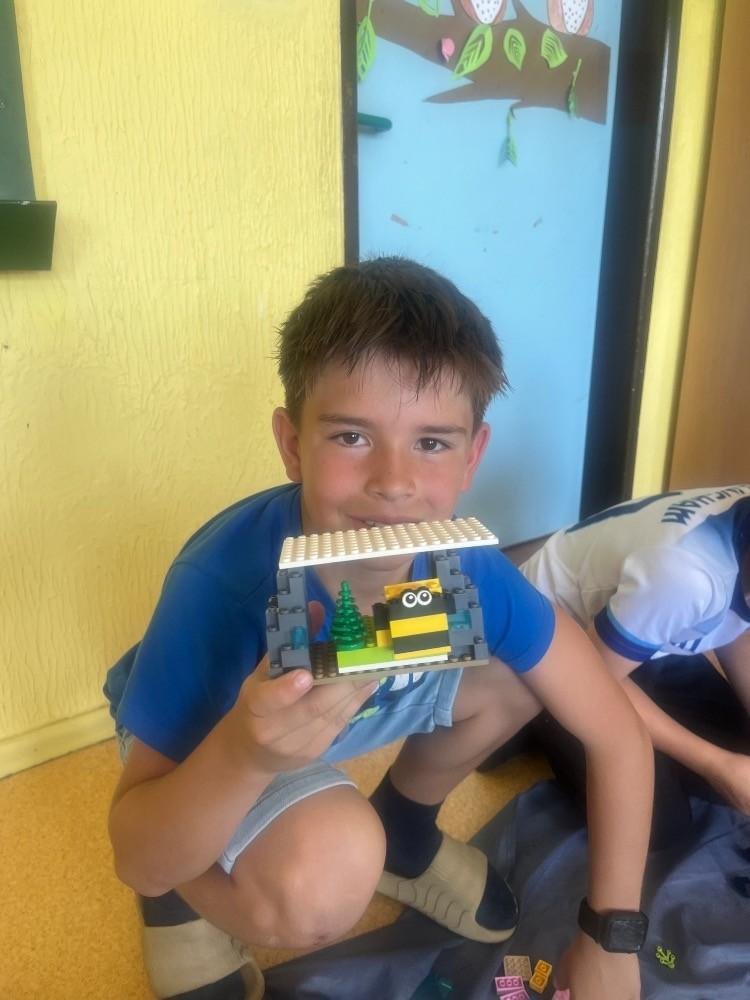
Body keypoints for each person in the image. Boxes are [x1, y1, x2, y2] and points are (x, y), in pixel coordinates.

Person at [105, 257, 653, 1000]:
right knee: (326, 875)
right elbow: (133, 851)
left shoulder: (467, 571)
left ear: (472, 456)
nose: (394, 484)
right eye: (351, 437)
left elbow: (615, 732)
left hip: (351, 712)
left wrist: (613, 936)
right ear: (292, 444)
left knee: (529, 676)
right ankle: (184, 899)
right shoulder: (222, 588)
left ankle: (407, 830)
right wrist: (243, 754)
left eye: (431, 443)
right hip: (210, 737)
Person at [518, 485, 750, 847]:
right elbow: (590, 680)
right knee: (660, 826)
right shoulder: (686, 577)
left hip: (637, 629)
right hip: (558, 655)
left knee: (738, 750)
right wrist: (716, 765)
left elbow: (734, 624)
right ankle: (530, 722)